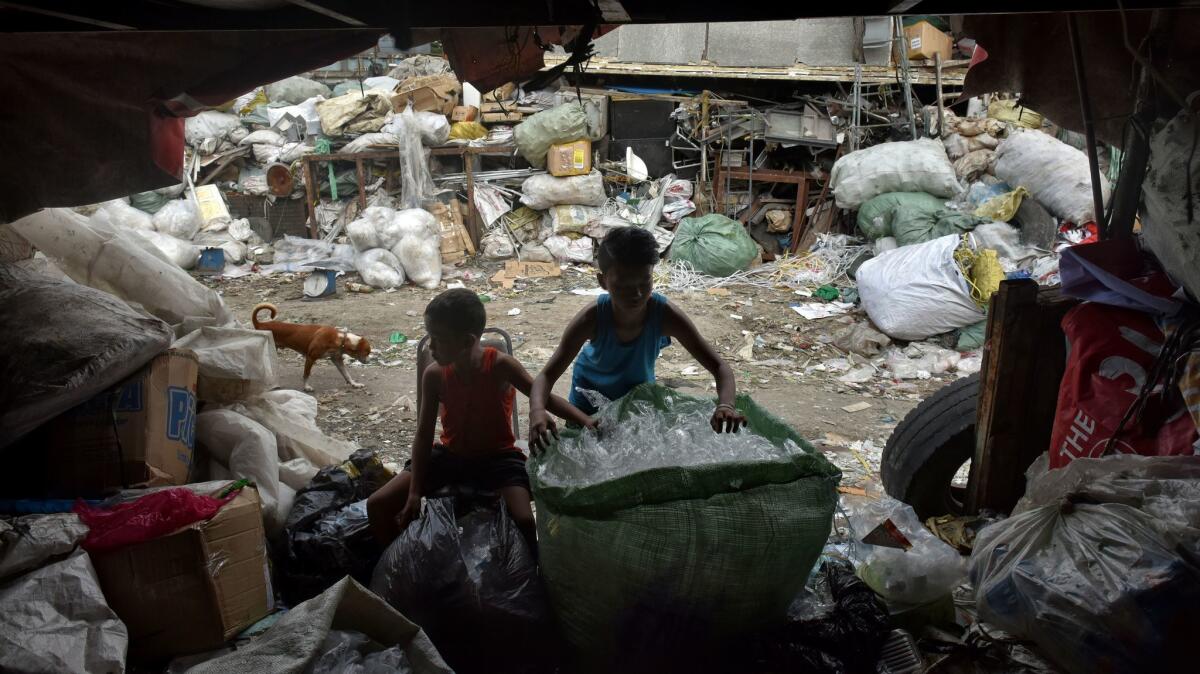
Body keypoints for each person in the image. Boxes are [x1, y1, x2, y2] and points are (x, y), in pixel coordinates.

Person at [366, 288, 594, 548]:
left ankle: (531, 580)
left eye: (437, 339)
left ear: (466, 341)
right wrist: (415, 492)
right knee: (378, 505)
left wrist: (585, 419)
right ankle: (394, 571)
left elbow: (542, 396)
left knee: (524, 521)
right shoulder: (434, 375)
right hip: (450, 457)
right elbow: (424, 435)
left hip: (498, 459)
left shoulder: (500, 366)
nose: (430, 347)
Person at [528, 227, 746, 451]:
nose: (638, 294)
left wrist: (726, 405)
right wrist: (537, 411)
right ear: (603, 281)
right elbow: (545, 376)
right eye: (623, 286)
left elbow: (720, 366)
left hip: (637, 407)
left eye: (645, 282)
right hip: (586, 412)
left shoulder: (664, 315)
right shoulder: (590, 319)